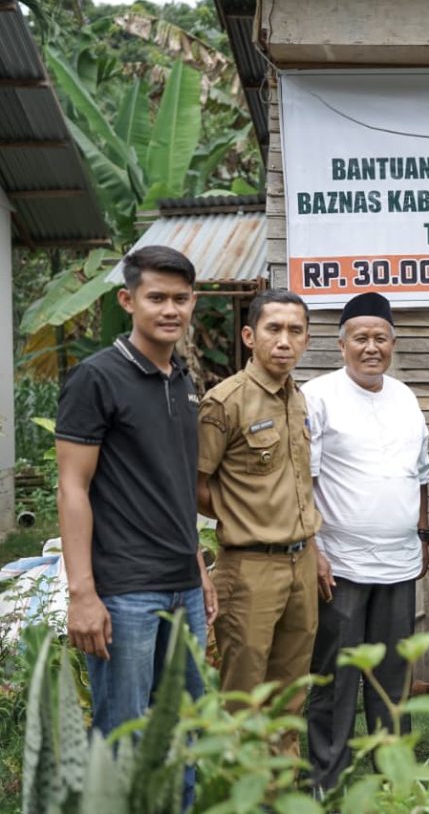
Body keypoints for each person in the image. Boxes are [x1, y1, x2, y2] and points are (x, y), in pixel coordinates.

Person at [55, 245, 213, 811]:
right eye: (156, 297)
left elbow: (172, 487)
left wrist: (199, 569)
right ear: (128, 301)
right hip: (125, 590)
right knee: (125, 735)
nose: (170, 309)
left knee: (186, 729)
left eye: (180, 298)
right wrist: (82, 593)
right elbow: (72, 488)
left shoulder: (183, 380)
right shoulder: (96, 379)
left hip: (183, 587)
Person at [302, 293, 429, 792]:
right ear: (341, 344)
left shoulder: (405, 396)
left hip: (399, 564)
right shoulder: (318, 395)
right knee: (334, 679)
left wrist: (422, 532)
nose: (371, 347)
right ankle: (326, 781)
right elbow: (305, 480)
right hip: (341, 565)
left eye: (381, 338)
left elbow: (420, 473)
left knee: (392, 680)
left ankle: (394, 779)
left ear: (393, 343)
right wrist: (314, 550)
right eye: (361, 338)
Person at [197, 289, 321, 757]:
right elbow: (196, 483)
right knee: (244, 699)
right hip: (249, 569)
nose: (284, 340)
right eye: (274, 329)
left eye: (295, 331)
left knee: (289, 698)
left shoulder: (298, 399)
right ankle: (238, 796)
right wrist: (241, 515)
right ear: (250, 336)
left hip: (301, 564)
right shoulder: (223, 403)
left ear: (306, 340)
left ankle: (279, 796)